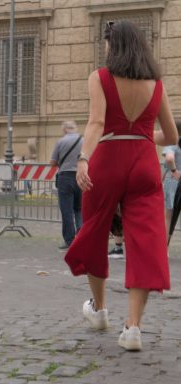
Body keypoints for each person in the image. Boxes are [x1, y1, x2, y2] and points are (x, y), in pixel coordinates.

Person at [64, 21, 178, 352]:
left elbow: (97, 122)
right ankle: (134, 328)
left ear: (113, 46)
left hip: (107, 159)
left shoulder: (100, 77)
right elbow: (170, 136)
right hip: (143, 162)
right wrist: (143, 136)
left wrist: (83, 158)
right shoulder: (156, 84)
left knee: (95, 231)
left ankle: (99, 310)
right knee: (144, 241)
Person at [50, 120, 83, 250]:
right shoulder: (84, 140)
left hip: (65, 178)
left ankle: (70, 240)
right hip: (81, 176)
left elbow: (53, 162)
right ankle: (81, 236)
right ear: (76, 128)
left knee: (66, 210)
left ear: (64, 130)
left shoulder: (61, 142)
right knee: (79, 208)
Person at [162, 122, 181, 237]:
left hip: (174, 181)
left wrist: (174, 171)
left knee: (168, 215)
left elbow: (169, 158)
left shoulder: (172, 142)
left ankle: (164, 248)